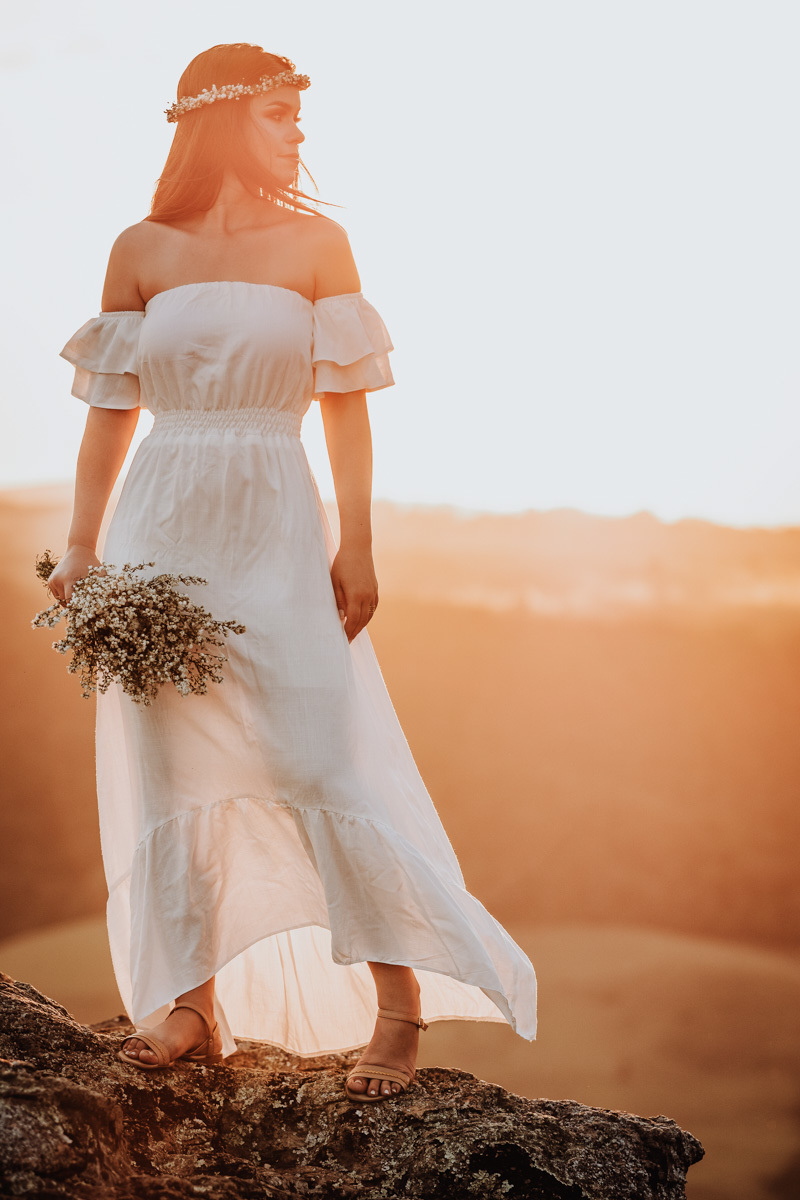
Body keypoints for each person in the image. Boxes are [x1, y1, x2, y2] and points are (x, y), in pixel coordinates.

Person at [47, 42, 537, 1103]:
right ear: (223, 121)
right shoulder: (139, 247)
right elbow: (107, 420)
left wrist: (355, 543)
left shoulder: (319, 243)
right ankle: (193, 1004)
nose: (297, 134)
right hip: (158, 527)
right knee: (177, 764)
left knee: (319, 761)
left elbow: (347, 410)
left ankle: (395, 1004)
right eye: (279, 114)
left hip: (272, 513)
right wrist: (84, 547)